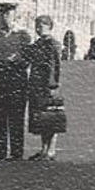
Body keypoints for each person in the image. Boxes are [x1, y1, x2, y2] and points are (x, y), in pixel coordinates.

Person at [0, 6, 29, 161]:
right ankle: (0, 149)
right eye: (3, 16)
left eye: (9, 16)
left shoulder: (23, 35)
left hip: (17, 78)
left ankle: (16, 151)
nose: (5, 19)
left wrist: (16, 60)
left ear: (15, 17)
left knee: (16, 115)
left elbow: (28, 58)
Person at [24, 15, 64, 161]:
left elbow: (54, 66)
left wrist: (52, 85)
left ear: (49, 26)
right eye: (37, 26)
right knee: (41, 118)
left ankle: (51, 150)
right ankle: (44, 149)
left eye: (41, 26)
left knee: (51, 118)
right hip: (36, 85)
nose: (38, 28)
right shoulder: (38, 44)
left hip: (48, 86)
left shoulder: (52, 44)